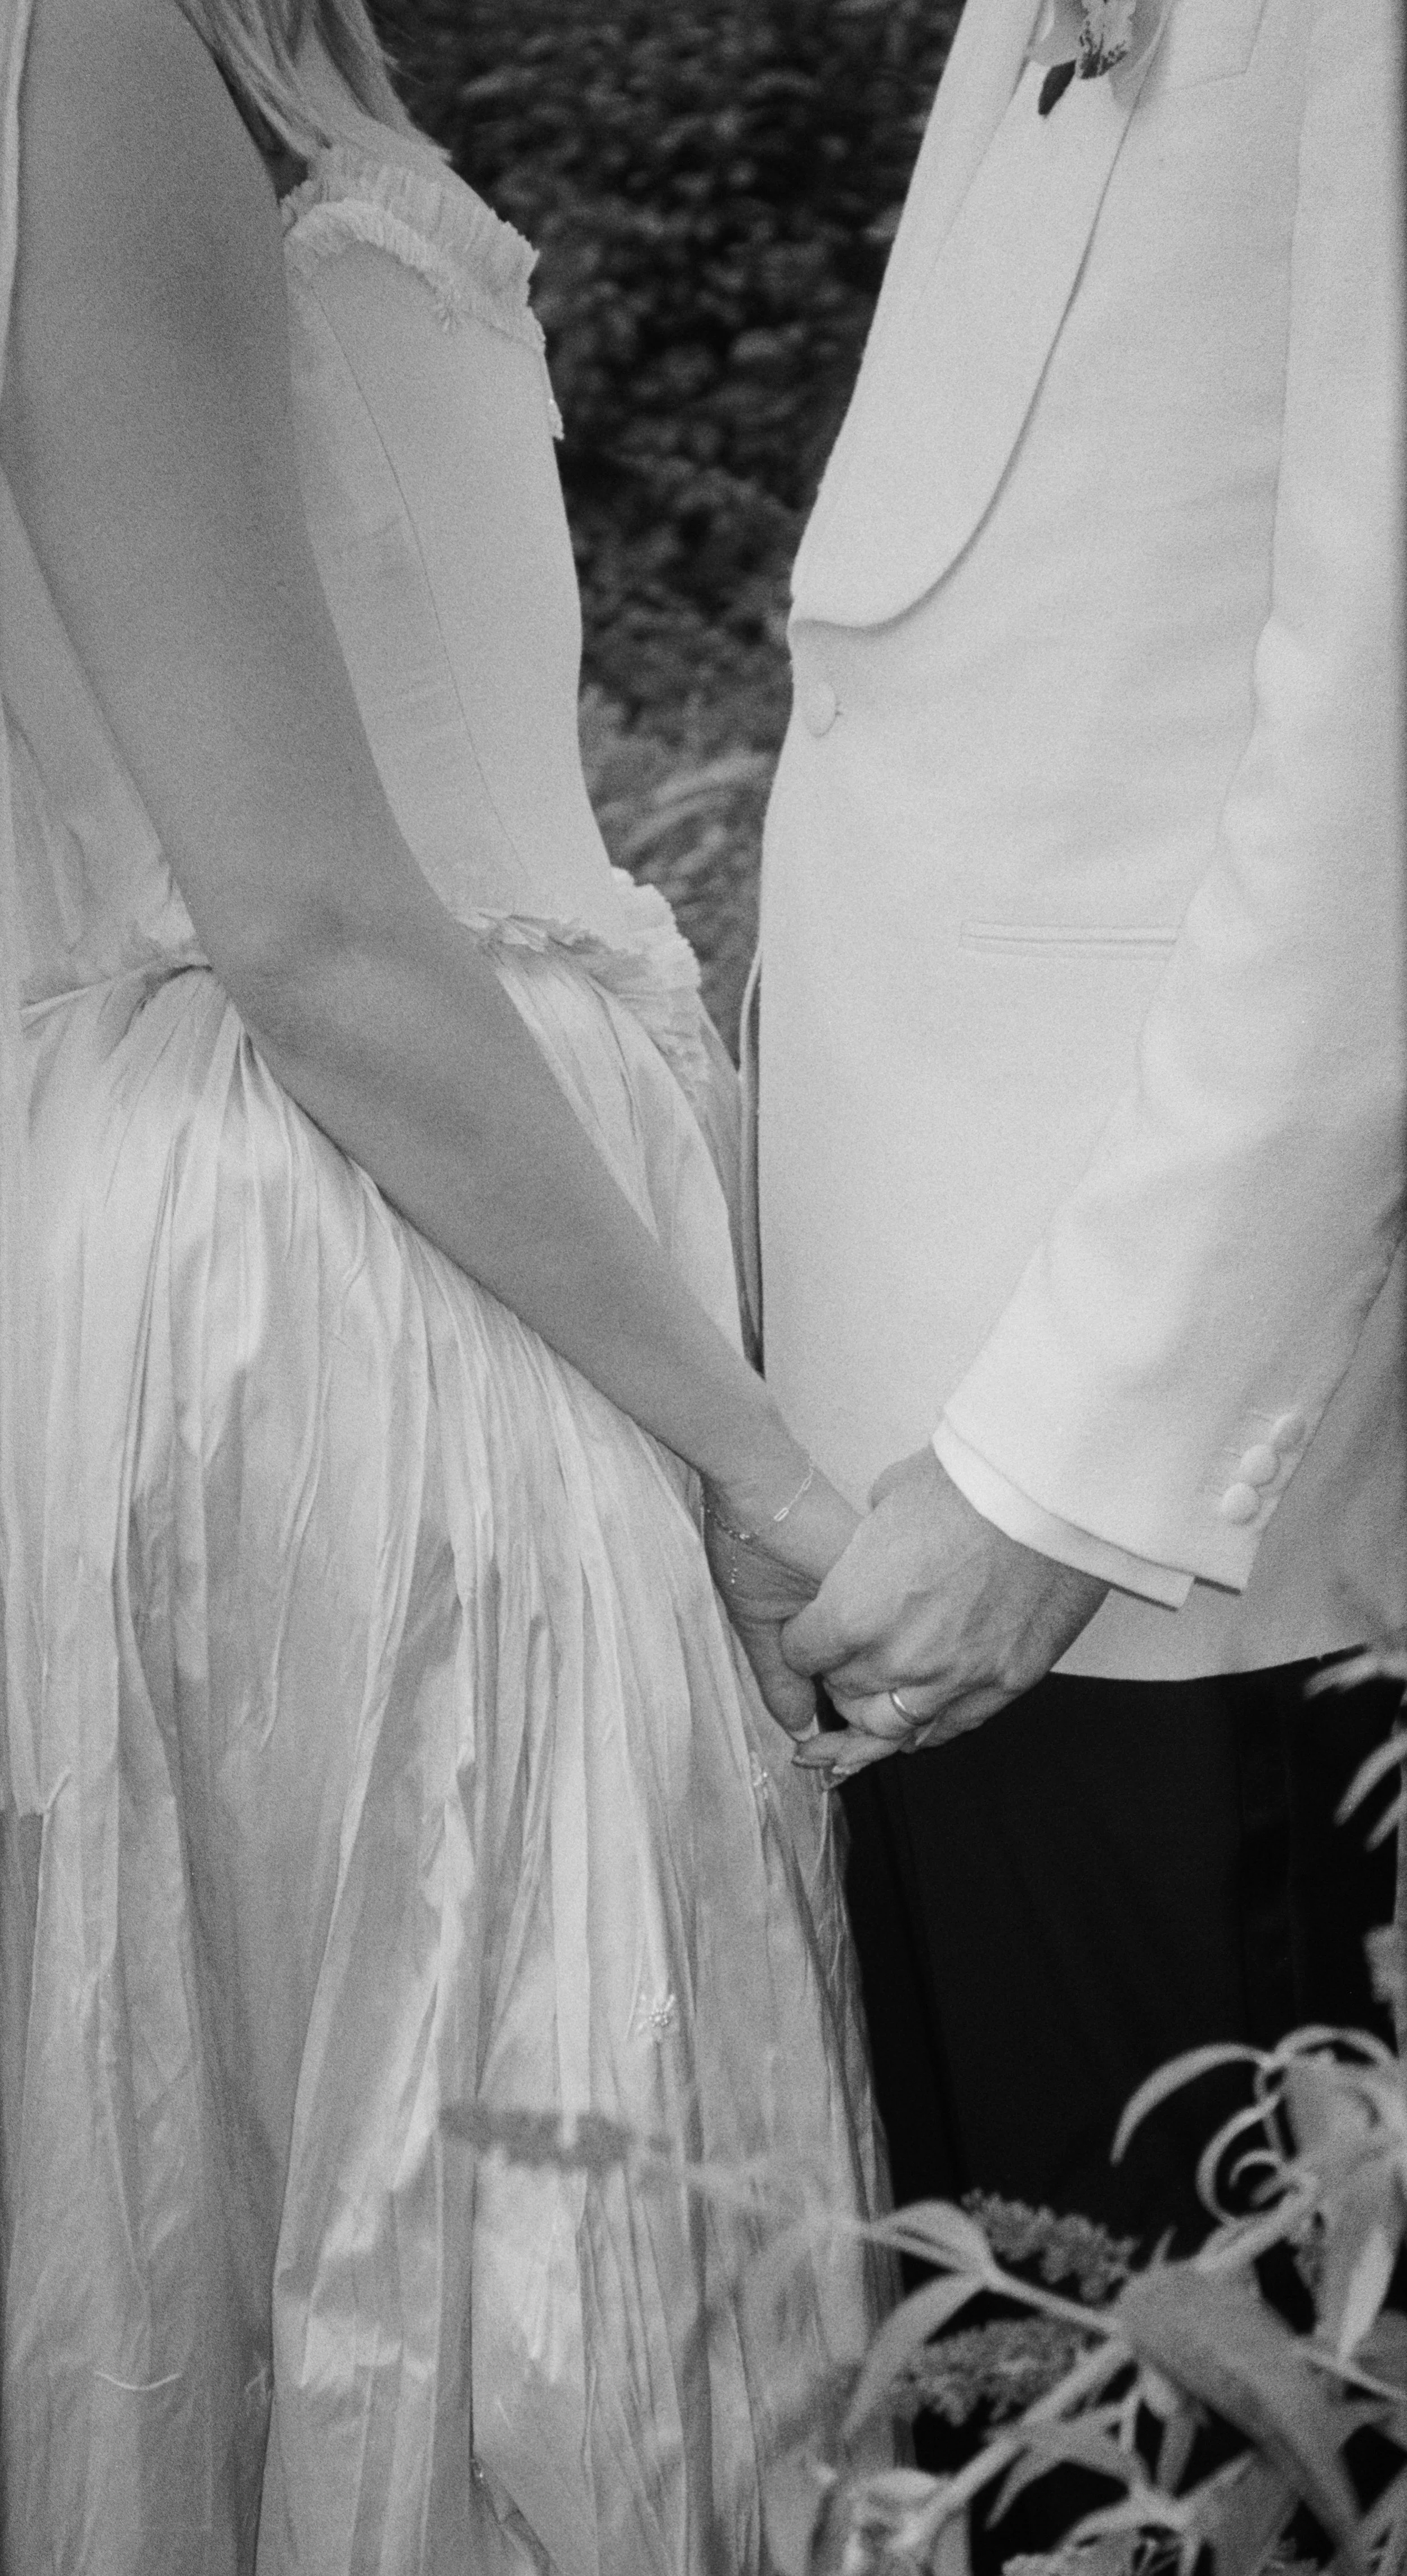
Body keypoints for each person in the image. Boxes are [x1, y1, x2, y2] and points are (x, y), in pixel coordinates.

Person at [0, 0, 889, 2563]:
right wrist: (753, 1458)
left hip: (457, 1198)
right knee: (491, 2220)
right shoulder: (93, 48)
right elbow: (296, 906)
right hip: (369, 1252)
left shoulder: (251, 46)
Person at [755, 0, 1405, 2244]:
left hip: (1144, 1549)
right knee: (990, 2367)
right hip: (911, 1487)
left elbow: (1376, 751)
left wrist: (1073, 1458)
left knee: (1188, 2423)